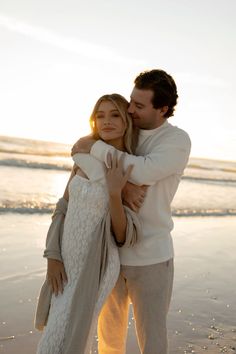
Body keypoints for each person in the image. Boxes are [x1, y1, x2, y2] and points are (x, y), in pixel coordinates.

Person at [71, 69, 191, 354]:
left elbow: (145, 170)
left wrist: (96, 147)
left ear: (162, 109)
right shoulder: (127, 129)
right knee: (109, 339)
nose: (129, 109)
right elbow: (80, 152)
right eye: (131, 101)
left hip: (151, 256)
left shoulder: (176, 141)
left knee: (152, 340)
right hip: (111, 251)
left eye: (139, 105)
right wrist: (120, 186)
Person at [34, 94, 142, 354]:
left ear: (127, 120)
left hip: (96, 266)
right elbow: (62, 208)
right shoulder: (82, 157)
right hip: (65, 262)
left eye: (115, 114)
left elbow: (121, 235)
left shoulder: (129, 167)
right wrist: (52, 256)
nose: (106, 121)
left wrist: (116, 193)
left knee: (63, 339)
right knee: (60, 336)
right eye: (100, 115)